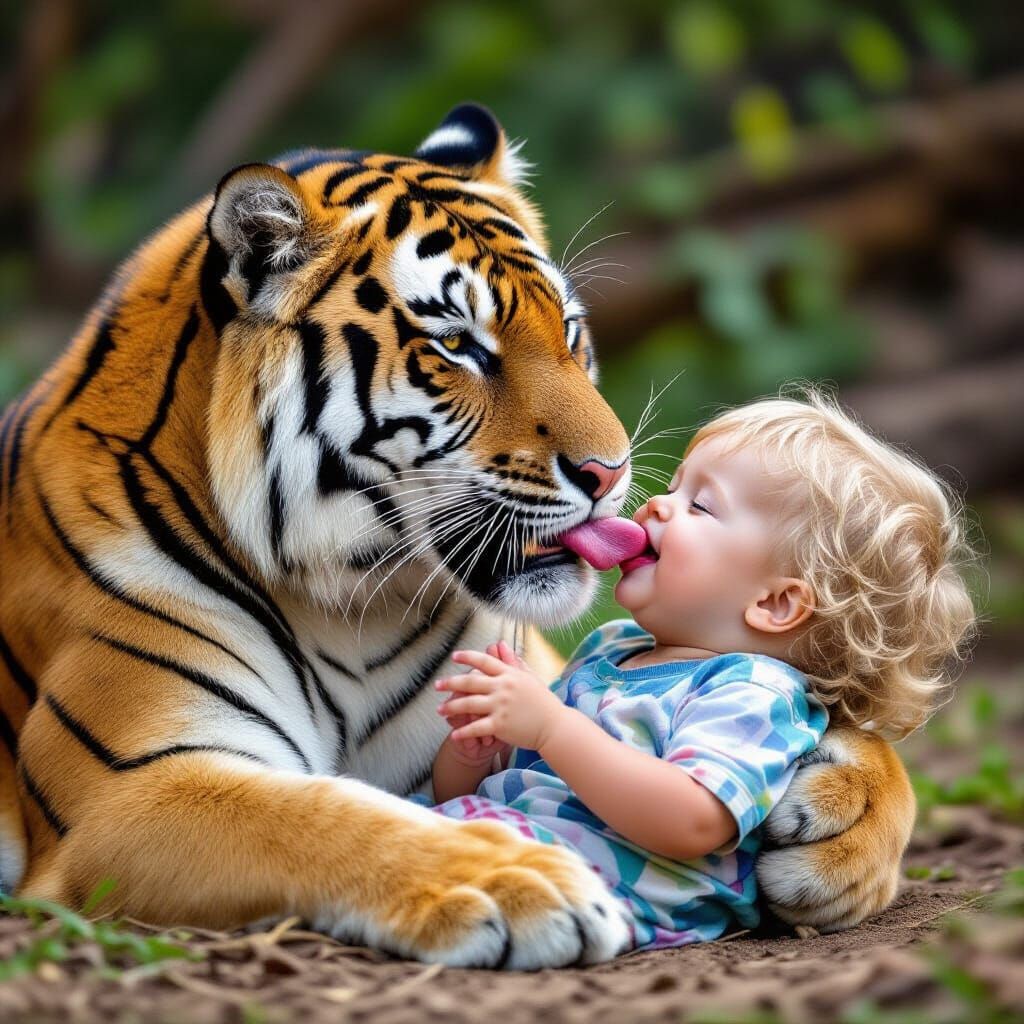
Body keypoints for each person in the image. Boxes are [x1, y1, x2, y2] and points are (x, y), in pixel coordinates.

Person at [429, 389, 977, 951]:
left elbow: (692, 821)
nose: (654, 505)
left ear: (776, 604)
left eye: (702, 506)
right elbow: (482, 787)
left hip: (590, 885)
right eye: (672, 488)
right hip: (504, 842)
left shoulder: (752, 695)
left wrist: (550, 726)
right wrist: (477, 752)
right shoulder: (611, 650)